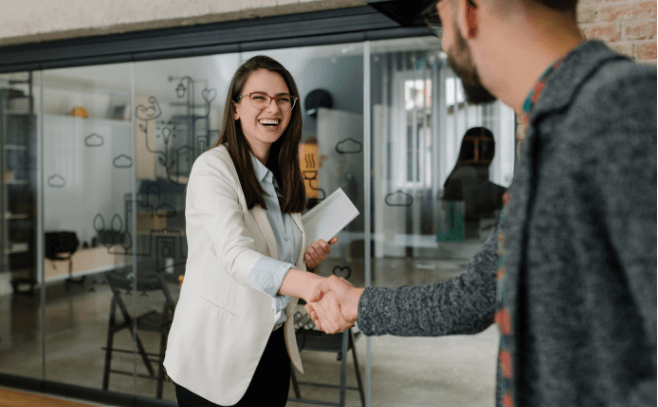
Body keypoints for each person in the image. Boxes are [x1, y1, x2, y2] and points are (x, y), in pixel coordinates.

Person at [306, 1, 657, 406]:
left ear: (468, 11)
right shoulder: (554, 132)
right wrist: (357, 303)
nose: (445, 38)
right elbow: (472, 299)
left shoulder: (625, 107)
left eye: (440, 16)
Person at [163, 55, 343, 407]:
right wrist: (316, 287)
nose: (271, 107)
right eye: (258, 97)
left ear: (292, 109)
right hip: (214, 355)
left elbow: (273, 257)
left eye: (282, 99)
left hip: (271, 346)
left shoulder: (281, 176)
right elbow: (236, 255)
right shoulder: (212, 168)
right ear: (235, 109)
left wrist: (304, 259)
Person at [442, 127, 506, 238]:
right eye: (491, 146)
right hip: (464, 241)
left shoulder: (467, 171)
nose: (493, 151)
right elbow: (474, 204)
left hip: (468, 238)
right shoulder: (467, 172)